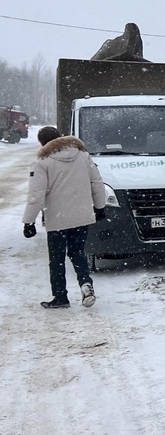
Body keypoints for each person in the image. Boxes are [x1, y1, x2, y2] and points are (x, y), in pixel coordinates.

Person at [22, 126, 107, 309]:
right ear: (60, 138)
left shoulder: (42, 162)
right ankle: (86, 284)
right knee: (77, 253)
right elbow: (97, 183)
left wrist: (29, 222)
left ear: (42, 142)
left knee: (57, 259)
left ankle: (61, 297)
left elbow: (36, 195)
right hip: (82, 215)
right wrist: (99, 207)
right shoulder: (83, 156)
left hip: (57, 219)